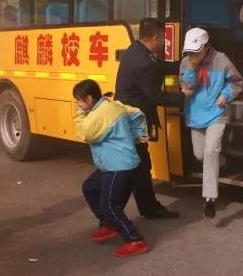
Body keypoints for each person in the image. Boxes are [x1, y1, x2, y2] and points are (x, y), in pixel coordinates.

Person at [115, 18, 184, 219]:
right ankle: (112, 212)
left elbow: (159, 67)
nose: (164, 42)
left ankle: (147, 207)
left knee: (139, 165)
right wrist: (187, 98)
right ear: (155, 38)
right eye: (163, 38)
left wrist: (182, 65)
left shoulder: (135, 50)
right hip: (133, 122)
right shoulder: (144, 62)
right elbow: (157, 97)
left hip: (128, 118)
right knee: (136, 166)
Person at [73, 80, 150, 258]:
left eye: (79, 101)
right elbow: (136, 114)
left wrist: (78, 115)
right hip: (112, 164)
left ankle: (135, 240)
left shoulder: (101, 113)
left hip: (118, 165)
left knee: (110, 205)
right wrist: (138, 134)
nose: (78, 104)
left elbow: (85, 134)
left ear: (89, 99)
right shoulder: (111, 105)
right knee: (90, 187)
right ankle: (109, 224)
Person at [179, 28, 243, 218]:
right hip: (195, 114)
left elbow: (237, 82)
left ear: (206, 47)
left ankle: (209, 199)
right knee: (200, 154)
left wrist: (226, 95)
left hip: (217, 113)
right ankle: (224, 162)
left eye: (196, 51)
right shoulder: (186, 62)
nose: (192, 55)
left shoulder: (221, 59)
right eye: (189, 52)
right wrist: (191, 66)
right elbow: (187, 87)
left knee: (210, 152)